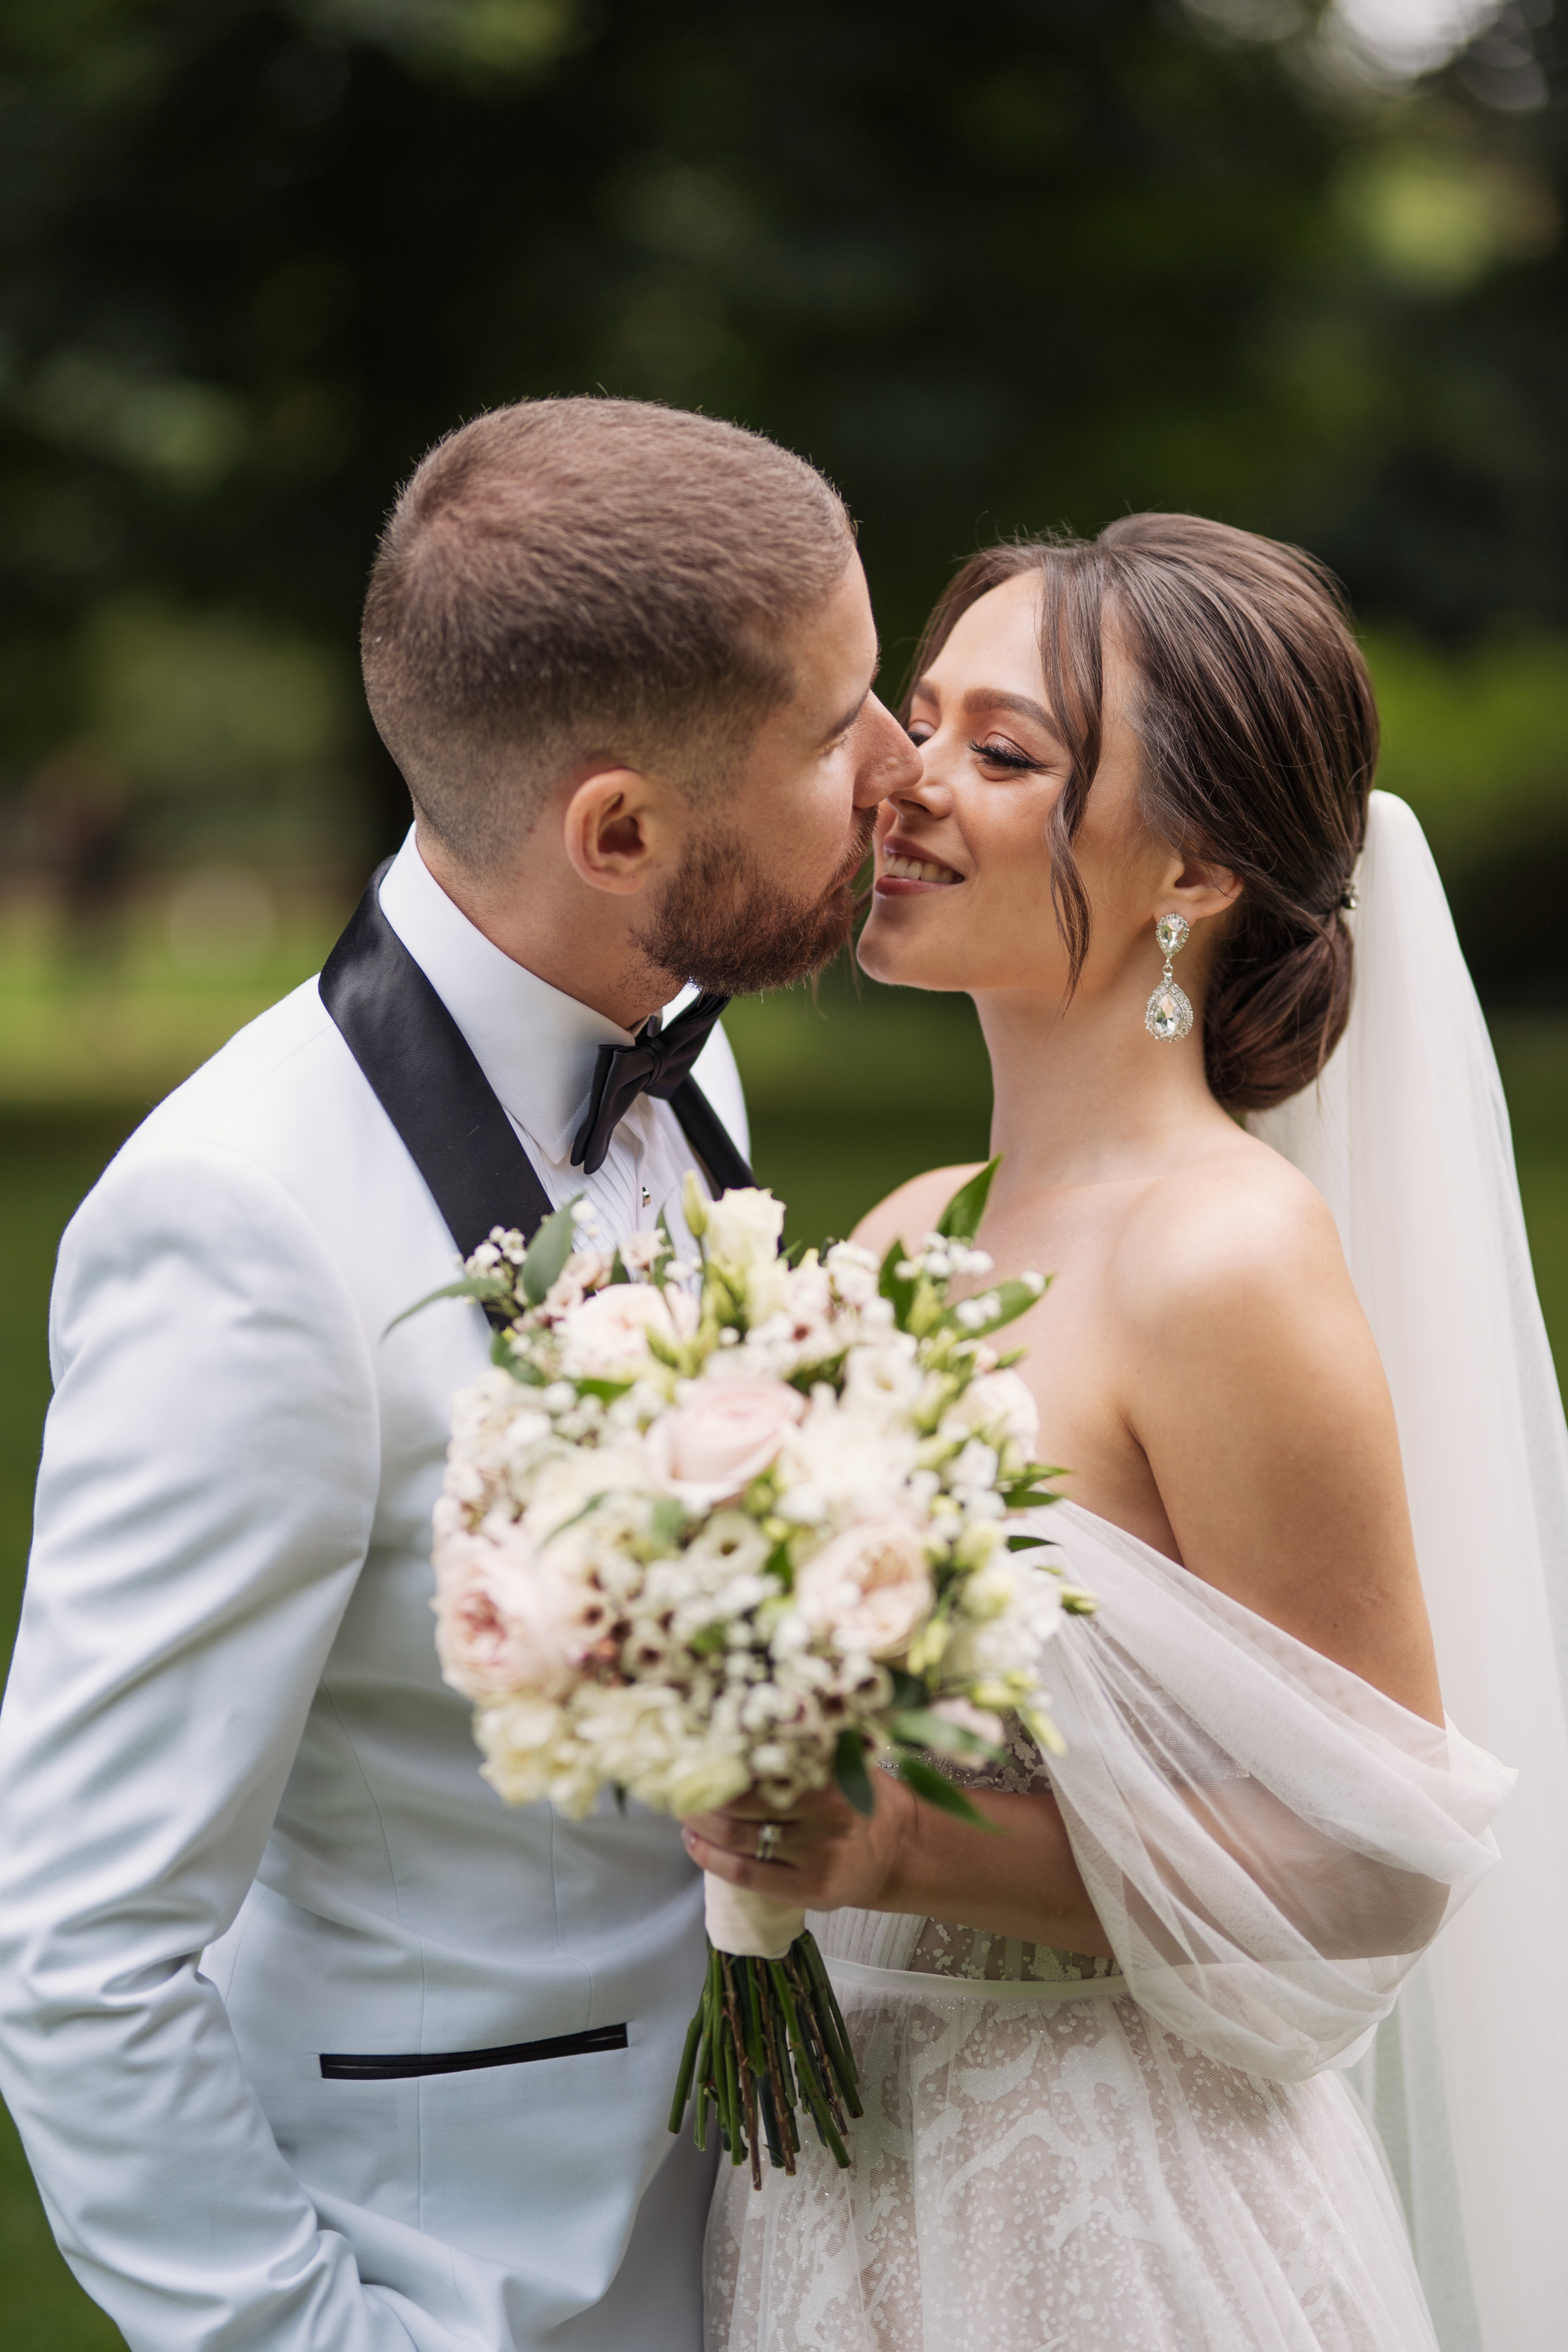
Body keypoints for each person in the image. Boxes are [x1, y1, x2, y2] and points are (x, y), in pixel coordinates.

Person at [0, 398, 919, 2351]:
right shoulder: (241, 1232)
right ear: (622, 830)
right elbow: (77, 1954)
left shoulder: (684, 1037)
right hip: (480, 2281)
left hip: (769, 2236)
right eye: (843, 731)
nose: (907, 777)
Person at [691, 517, 1568, 2351]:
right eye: (920, 721)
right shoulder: (907, 1234)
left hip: (1119, 2215)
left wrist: (896, 1854)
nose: (906, 786)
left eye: (1003, 754)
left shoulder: (1222, 1256)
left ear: (1192, 872)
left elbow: (1376, 1856)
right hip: (840, 2193)